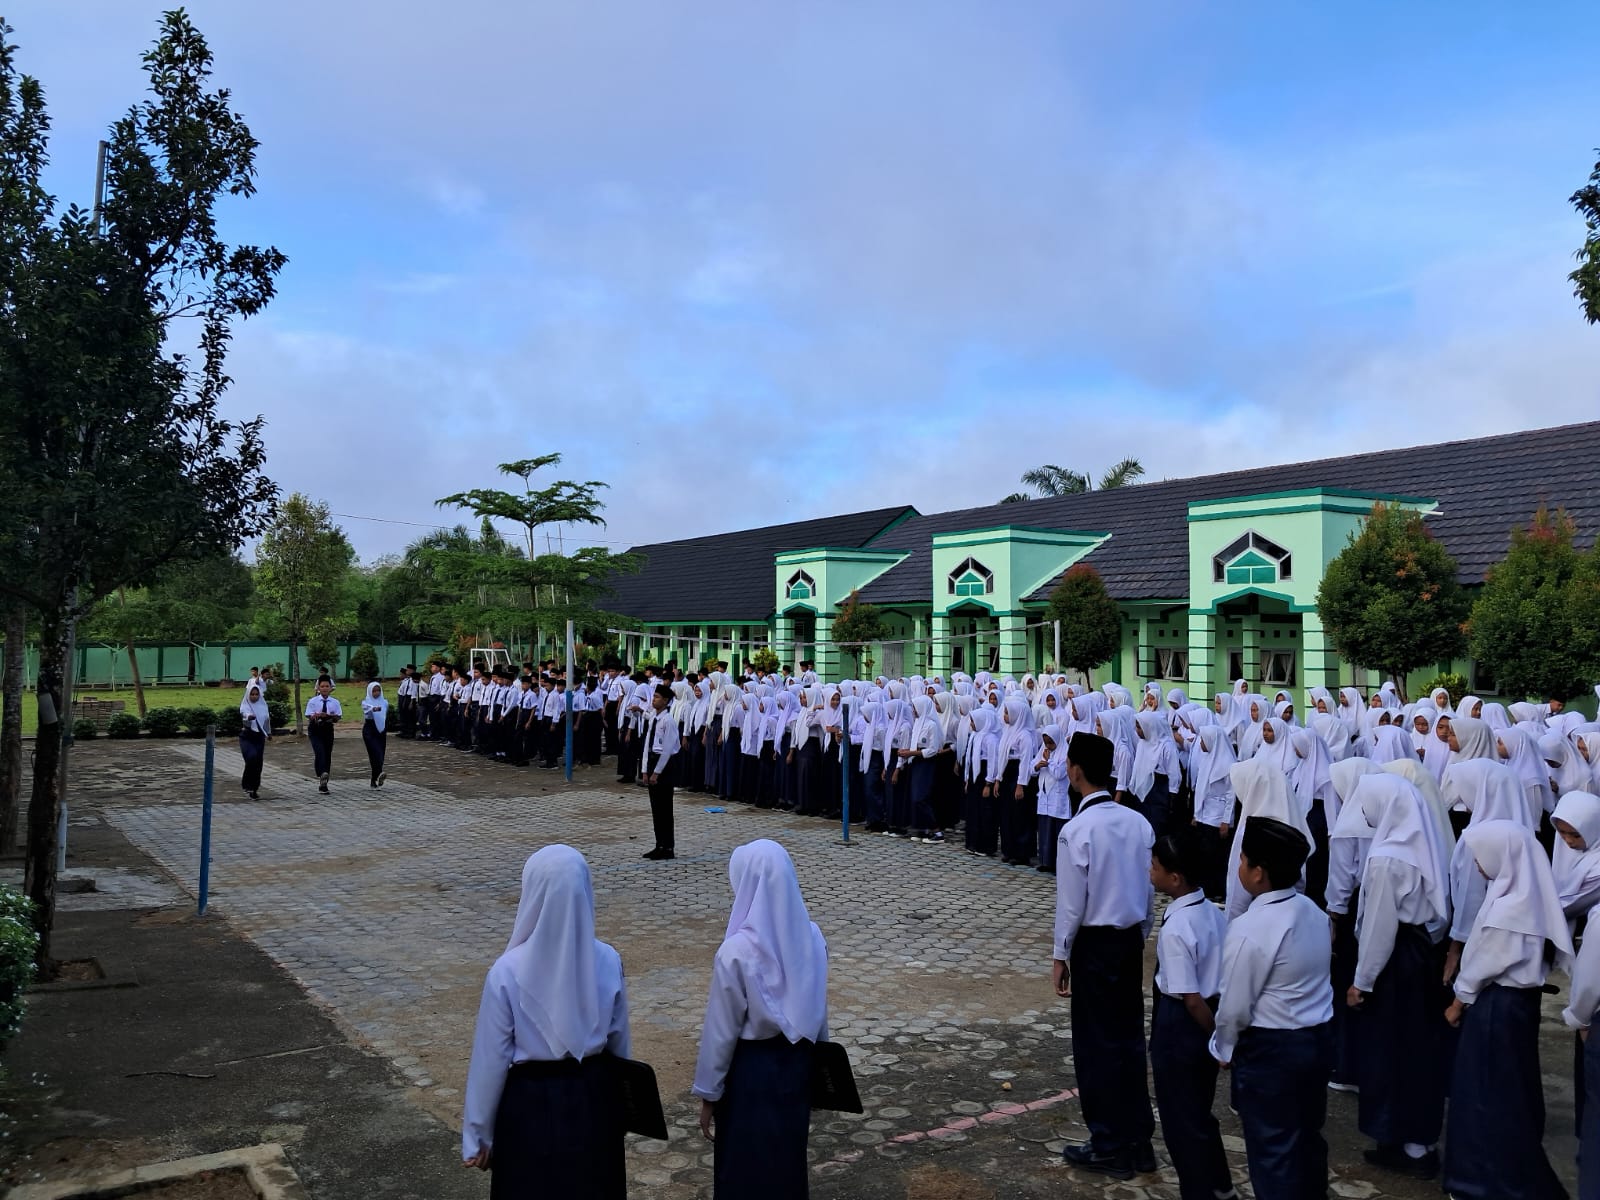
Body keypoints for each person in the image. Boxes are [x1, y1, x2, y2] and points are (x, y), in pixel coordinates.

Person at [461, 846, 631, 1198]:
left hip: (530, 1105)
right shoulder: (607, 960)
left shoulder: (507, 971)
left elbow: (490, 1061)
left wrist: (478, 1136)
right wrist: (622, 1107)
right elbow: (619, 1045)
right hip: (594, 1098)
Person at [1442, 820, 1572, 1200]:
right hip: (1514, 1006)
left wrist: (1458, 1000)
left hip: (1497, 1006)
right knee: (1505, 1090)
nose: (1480, 865)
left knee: (1487, 1096)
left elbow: (1484, 963)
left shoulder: (1511, 908)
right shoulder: (1520, 893)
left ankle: (1489, 1181)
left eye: (1483, 857)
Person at [692, 839, 828, 1200]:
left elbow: (720, 1033)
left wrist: (709, 1092)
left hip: (750, 1074)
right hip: (798, 1063)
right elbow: (817, 1005)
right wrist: (822, 1067)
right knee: (787, 1160)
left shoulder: (736, 951)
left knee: (744, 1167)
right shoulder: (812, 936)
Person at [1209, 816, 1333, 1200]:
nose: (1240, 867)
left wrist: (1223, 1047)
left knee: (1273, 1151)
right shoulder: (1314, 912)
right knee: (1306, 1141)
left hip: (1272, 1050)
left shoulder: (1251, 927)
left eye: (1243, 860)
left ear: (1258, 873)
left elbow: (1234, 1006)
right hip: (1315, 1041)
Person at [1053, 731, 1157, 1181]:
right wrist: (1139, 931)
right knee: (1128, 1041)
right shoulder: (1138, 823)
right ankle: (1138, 1140)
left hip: (1095, 945)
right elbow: (1150, 890)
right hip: (1129, 940)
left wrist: (1061, 954)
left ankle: (1109, 1143)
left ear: (1075, 770)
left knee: (1096, 1046)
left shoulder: (1077, 830)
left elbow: (1071, 905)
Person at [1344, 774, 1452, 1180]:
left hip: (1396, 964)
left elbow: (1378, 929)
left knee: (1392, 1050)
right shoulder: (1422, 845)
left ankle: (1407, 1144)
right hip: (1420, 953)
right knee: (1416, 1049)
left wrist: (1362, 981)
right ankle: (1413, 1140)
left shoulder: (1388, 858)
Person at [1149, 830, 1237, 1200]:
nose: (1148, 871)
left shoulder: (1177, 929)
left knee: (1180, 1120)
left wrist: (1217, 1040)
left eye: (1154, 866)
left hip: (1182, 1025)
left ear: (1175, 878)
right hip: (1206, 1015)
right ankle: (1220, 1186)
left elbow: (1192, 999)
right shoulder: (1211, 913)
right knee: (1200, 1113)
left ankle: (1199, 1191)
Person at [641, 684, 681, 861]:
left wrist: (657, 772)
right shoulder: (653, 718)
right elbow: (647, 744)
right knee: (656, 808)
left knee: (665, 808)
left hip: (664, 765)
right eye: (654, 696)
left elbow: (667, 749)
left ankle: (668, 847)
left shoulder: (668, 721)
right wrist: (644, 770)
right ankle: (659, 844)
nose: (654, 699)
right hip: (651, 760)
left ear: (665, 701)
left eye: (657, 697)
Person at [305, 676, 342, 794]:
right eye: (322, 686)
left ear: (331, 688)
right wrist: (316, 716)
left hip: (328, 729)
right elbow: (308, 715)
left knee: (327, 754)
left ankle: (324, 782)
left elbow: (338, 717)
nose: (325, 689)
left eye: (327, 686)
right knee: (319, 751)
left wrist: (330, 716)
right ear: (318, 688)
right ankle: (321, 772)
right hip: (315, 730)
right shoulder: (313, 701)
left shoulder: (335, 702)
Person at [238, 683, 270, 801]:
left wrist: (269, 733)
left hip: (259, 737)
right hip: (247, 735)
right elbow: (244, 715)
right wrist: (249, 717)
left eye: (256, 694)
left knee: (258, 762)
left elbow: (266, 721)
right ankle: (246, 783)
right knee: (251, 757)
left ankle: (254, 788)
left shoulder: (263, 706)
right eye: (252, 694)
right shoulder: (245, 705)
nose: (254, 696)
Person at [360, 681, 389, 790]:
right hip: (370, 729)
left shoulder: (384, 702)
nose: (376, 693)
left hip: (381, 729)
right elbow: (368, 710)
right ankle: (378, 773)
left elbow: (384, 714)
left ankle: (375, 777)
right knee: (374, 751)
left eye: (378, 690)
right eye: (374, 691)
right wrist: (374, 709)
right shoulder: (366, 702)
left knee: (381, 753)